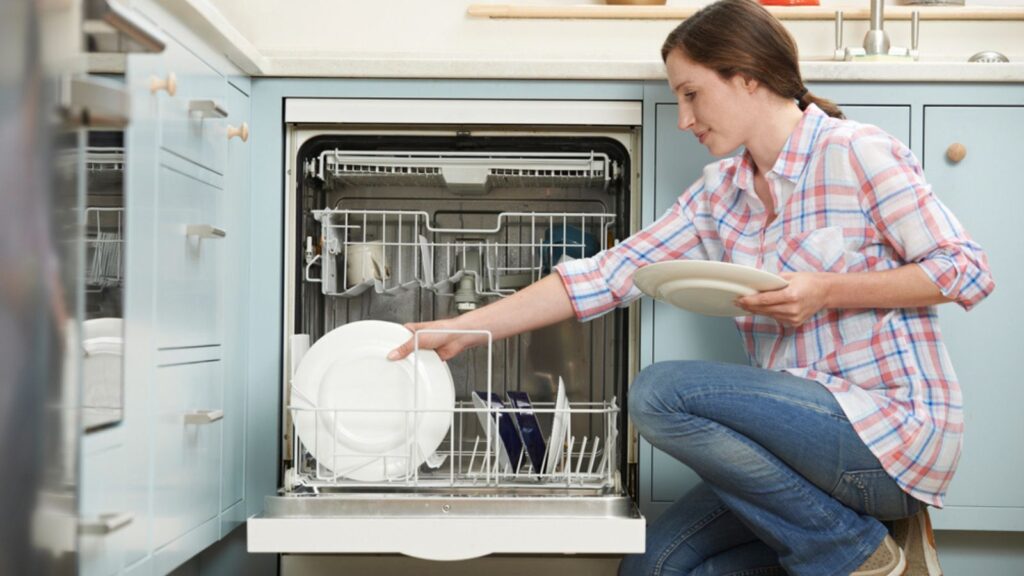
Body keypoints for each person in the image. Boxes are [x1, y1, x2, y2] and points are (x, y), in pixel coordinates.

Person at [389, 0, 993, 573]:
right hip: (789, 455)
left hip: (888, 437)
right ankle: (860, 549)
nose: (683, 119)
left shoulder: (856, 153)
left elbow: (966, 269)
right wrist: (464, 330)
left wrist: (826, 290)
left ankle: (852, 551)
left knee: (660, 393)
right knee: (654, 565)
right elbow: (606, 275)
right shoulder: (720, 192)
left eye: (691, 94)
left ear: (749, 77)